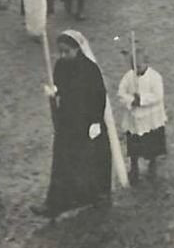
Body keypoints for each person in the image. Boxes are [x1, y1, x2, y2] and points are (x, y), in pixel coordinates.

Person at [35, 30, 121, 218]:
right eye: (61, 52)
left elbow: (99, 96)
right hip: (68, 121)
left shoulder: (90, 69)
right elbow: (58, 88)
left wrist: (96, 122)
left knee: (89, 160)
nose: (63, 55)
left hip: (88, 123)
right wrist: (53, 92)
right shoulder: (60, 66)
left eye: (67, 51)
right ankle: (55, 203)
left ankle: (96, 194)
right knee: (63, 161)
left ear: (77, 49)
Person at [116, 50, 167, 183]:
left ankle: (152, 164)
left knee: (152, 143)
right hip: (134, 118)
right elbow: (121, 93)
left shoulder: (155, 77)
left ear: (146, 63)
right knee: (133, 145)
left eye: (138, 66)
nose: (135, 69)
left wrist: (142, 99)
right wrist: (131, 100)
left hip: (150, 118)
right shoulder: (128, 77)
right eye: (132, 66)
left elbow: (158, 96)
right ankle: (134, 167)